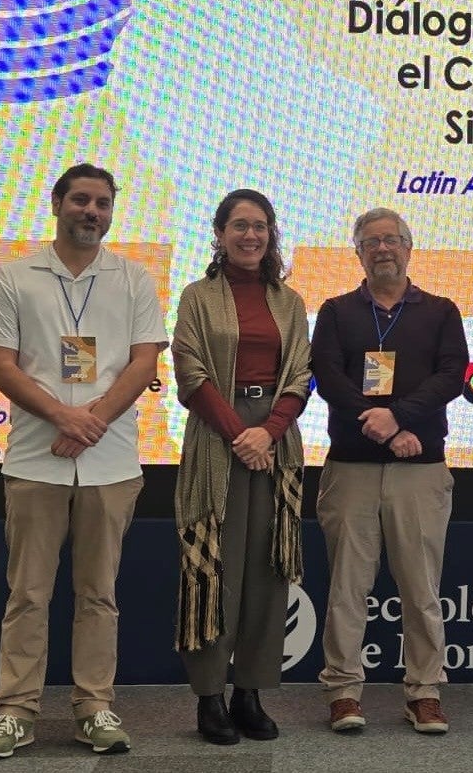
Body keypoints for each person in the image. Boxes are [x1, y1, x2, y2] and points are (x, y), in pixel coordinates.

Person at [0, 163, 167, 757]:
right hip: (35, 460)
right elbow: (1, 364)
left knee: (99, 594)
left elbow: (144, 364)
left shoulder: (134, 279)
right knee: (28, 593)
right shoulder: (14, 277)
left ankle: (94, 707)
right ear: (57, 204)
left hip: (111, 463)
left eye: (102, 203)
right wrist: (65, 418)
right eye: (81, 200)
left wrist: (88, 423)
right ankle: (16, 710)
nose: (91, 211)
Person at [310, 208, 467, 735]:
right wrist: (380, 426)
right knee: (347, 586)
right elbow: (328, 376)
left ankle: (424, 692)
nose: (383, 249)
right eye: (371, 241)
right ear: (357, 252)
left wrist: (399, 416)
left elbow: (451, 374)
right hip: (351, 466)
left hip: (419, 470)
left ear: (409, 247)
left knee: (421, 587)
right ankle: (343, 691)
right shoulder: (336, 311)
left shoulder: (441, 310)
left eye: (393, 240)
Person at [171, 189, 310, 745]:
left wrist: (267, 432)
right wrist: (240, 435)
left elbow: (300, 374)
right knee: (212, 571)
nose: (250, 236)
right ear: (220, 233)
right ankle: (210, 699)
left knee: (266, 572)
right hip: (217, 437)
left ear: (271, 235)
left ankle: (249, 693)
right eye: (239, 226)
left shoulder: (290, 301)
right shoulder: (197, 296)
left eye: (260, 227)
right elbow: (188, 369)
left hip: (274, 443)